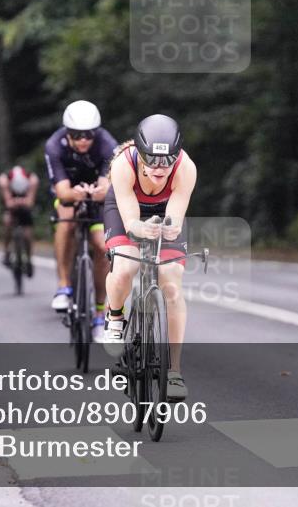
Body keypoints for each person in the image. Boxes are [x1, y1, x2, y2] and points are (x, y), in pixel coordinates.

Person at [102, 114, 196, 402]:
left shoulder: (186, 168)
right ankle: (115, 318)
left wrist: (168, 230)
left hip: (163, 214)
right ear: (140, 155)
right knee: (125, 266)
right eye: (152, 161)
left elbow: (175, 217)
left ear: (177, 156)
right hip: (125, 211)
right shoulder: (123, 164)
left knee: (171, 282)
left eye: (167, 161)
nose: (159, 168)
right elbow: (130, 218)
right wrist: (137, 228)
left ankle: (174, 371)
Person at [44, 100, 119, 341]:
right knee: (65, 220)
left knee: (101, 246)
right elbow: (63, 191)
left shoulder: (108, 145)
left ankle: (99, 312)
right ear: (67, 132)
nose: (83, 140)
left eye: (88, 134)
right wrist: (77, 194)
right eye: (76, 135)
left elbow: (106, 186)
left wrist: (97, 192)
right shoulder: (55, 145)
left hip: (97, 193)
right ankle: (64, 286)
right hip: (68, 190)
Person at [0, 165, 39, 273]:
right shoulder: (4, 180)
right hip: (11, 208)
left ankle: (29, 259)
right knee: (7, 222)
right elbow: (8, 202)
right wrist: (15, 201)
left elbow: (30, 202)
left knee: (28, 234)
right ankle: (6, 251)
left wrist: (21, 201)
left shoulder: (33, 179)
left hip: (25, 209)